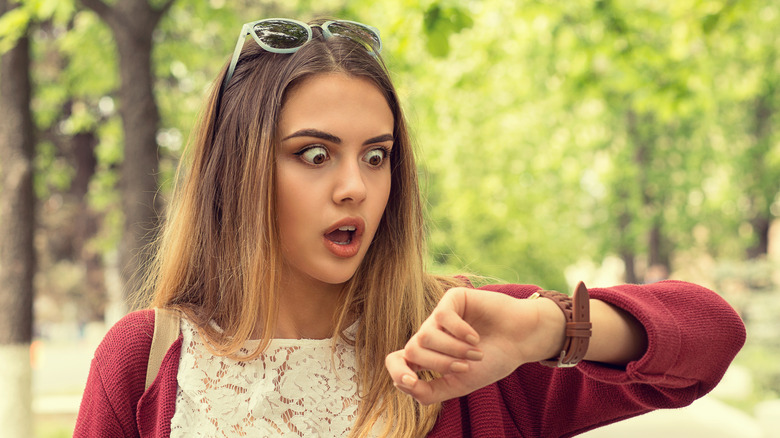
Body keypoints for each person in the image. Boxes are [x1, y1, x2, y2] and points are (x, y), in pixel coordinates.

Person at [74, 18, 746, 437]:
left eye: (377, 155)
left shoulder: (462, 342)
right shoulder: (146, 361)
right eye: (314, 154)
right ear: (237, 172)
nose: (355, 187)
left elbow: (712, 334)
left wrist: (544, 331)